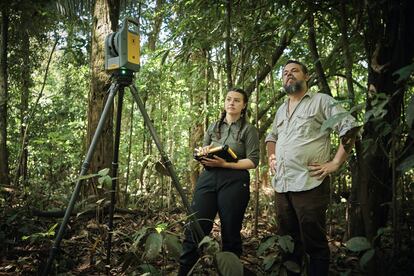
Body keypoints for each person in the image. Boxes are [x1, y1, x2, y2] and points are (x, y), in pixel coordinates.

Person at [265, 60, 360, 276]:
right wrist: (272, 156)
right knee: (288, 243)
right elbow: (272, 137)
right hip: (282, 185)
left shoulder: (321, 101)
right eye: (285, 73)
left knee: (314, 243)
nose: (289, 75)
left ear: (306, 76)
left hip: (309, 182)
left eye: (294, 71)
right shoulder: (281, 109)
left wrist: (335, 163)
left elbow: (350, 127)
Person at [178, 88, 260, 275]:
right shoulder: (213, 126)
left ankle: (231, 271)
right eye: (229, 99)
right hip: (208, 177)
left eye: (237, 100)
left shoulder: (249, 130)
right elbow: (201, 151)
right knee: (196, 227)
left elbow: (253, 161)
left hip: (234, 180)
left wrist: (226, 164)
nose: (231, 103)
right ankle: (184, 272)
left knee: (230, 232)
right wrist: (203, 152)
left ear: (244, 105)